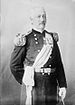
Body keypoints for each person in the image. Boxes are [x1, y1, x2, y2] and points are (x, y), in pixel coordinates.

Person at [10, 6, 67, 105]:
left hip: (52, 86)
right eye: (39, 16)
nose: (42, 19)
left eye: (44, 16)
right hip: (34, 87)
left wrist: (62, 85)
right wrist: (26, 79)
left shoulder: (51, 38)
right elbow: (14, 65)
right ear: (31, 20)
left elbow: (58, 64)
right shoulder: (25, 39)